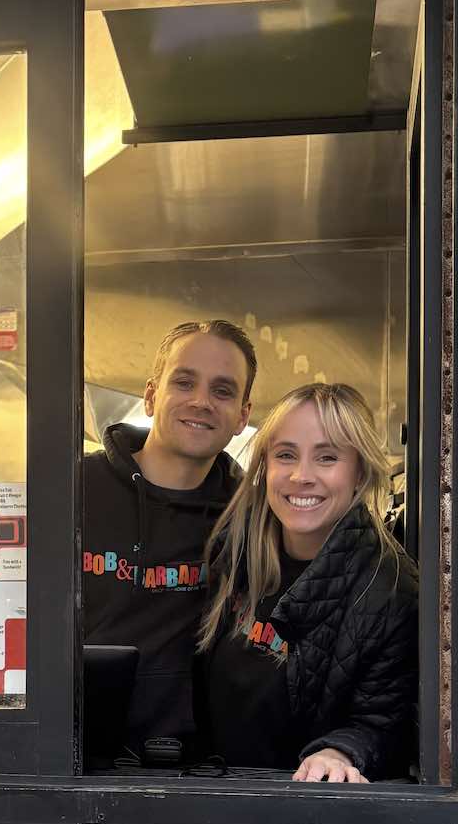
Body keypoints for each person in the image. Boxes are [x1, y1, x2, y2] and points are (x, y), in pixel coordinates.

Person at [197, 382, 417, 782]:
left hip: (300, 820)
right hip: (211, 801)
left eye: (327, 457)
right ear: (265, 467)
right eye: (286, 455)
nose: (302, 476)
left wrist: (337, 753)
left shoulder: (391, 590)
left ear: (360, 472)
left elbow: (384, 722)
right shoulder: (234, 552)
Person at [83, 319, 256, 752]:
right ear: (150, 395)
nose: (202, 402)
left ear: (243, 416)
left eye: (223, 390)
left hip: (195, 774)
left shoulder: (253, 517)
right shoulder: (72, 491)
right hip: (70, 761)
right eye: (184, 382)